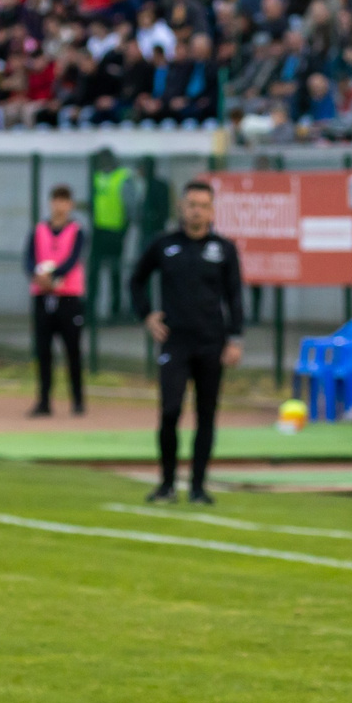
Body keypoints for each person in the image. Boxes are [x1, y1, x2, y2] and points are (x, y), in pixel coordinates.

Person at [129, 179, 244, 505]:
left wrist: (235, 338)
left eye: (203, 206)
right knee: (170, 410)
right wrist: (147, 315)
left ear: (212, 211)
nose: (197, 211)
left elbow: (235, 296)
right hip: (175, 343)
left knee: (206, 415)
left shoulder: (223, 249)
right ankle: (166, 484)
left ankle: (198, 487)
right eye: (191, 205)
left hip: (211, 342)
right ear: (181, 207)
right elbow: (136, 280)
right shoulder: (164, 244)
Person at [28, 184, 89, 417]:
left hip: (69, 298)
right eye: (56, 200)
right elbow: (29, 257)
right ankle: (43, 401)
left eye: (64, 200)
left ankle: (78, 400)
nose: (59, 205)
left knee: (72, 350)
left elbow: (73, 258)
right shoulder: (39, 230)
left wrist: (54, 276)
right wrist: (37, 276)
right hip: (42, 297)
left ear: (70, 204)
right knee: (43, 351)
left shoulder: (77, 231)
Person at [87, 155, 132, 321]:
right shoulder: (97, 177)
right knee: (94, 272)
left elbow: (130, 206)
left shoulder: (123, 177)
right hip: (99, 231)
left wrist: (124, 230)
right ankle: (90, 311)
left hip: (116, 231)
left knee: (115, 272)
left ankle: (116, 310)